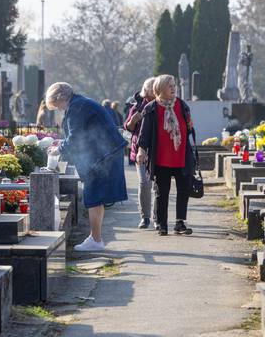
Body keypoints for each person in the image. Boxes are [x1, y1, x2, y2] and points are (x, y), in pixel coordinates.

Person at [47, 82, 128, 251]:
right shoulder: (80, 103)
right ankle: (95, 237)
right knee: (96, 198)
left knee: (92, 197)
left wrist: (57, 150)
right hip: (107, 153)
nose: (59, 109)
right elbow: (82, 134)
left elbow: (75, 137)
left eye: (57, 105)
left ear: (61, 97)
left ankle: (96, 240)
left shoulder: (76, 108)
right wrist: (62, 143)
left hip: (103, 156)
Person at [136, 74, 195, 236]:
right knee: (162, 192)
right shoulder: (152, 108)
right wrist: (142, 150)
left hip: (181, 156)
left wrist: (190, 126)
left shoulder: (181, 105)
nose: (174, 88)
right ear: (160, 89)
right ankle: (162, 224)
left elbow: (188, 130)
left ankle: (180, 223)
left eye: (174, 85)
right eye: (170, 86)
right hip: (161, 158)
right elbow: (144, 133)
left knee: (184, 189)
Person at [124, 77, 156, 229]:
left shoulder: (161, 105)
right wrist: (134, 120)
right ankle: (145, 217)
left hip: (157, 149)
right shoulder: (136, 106)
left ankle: (158, 217)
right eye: (151, 88)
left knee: (157, 185)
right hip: (140, 150)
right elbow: (128, 127)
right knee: (144, 182)